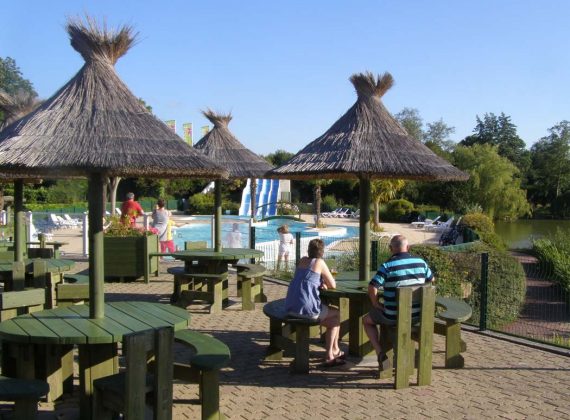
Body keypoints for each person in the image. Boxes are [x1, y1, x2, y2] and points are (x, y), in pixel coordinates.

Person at [363, 235, 434, 368]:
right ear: (408, 247)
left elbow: (372, 287)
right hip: (418, 315)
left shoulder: (387, 266)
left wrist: (376, 304)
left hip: (393, 316)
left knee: (366, 320)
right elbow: (431, 281)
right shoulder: (421, 263)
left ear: (391, 248)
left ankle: (379, 352)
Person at [285, 238, 344, 367]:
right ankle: (330, 354)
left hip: (290, 307)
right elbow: (333, 284)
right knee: (336, 315)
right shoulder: (320, 262)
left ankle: (335, 350)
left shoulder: (302, 261)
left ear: (308, 250)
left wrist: (319, 282)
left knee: (333, 319)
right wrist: (324, 284)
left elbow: (304, 280)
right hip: (306, 311)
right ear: (322, 252)